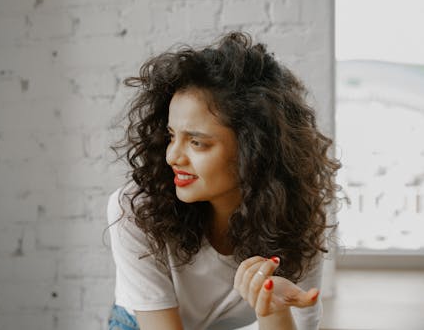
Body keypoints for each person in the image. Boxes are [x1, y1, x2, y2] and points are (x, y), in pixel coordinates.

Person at [106, 32, 340, 330]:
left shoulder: (297, 216)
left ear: (254, 149)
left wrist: (273, 312)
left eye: (197, 143)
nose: (172, 157)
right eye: (171, 136)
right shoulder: (135, 209)